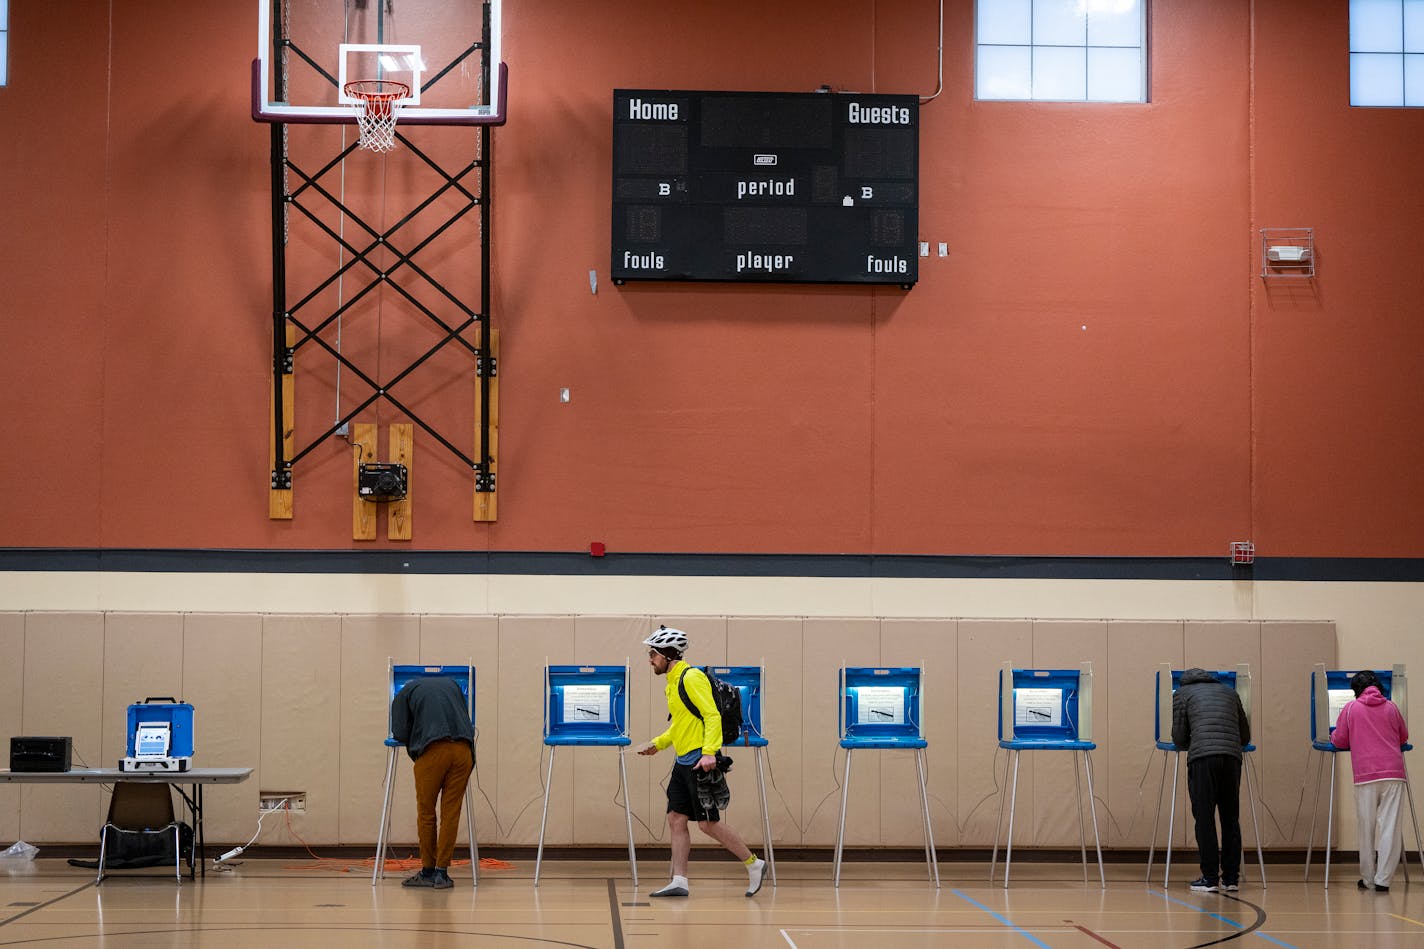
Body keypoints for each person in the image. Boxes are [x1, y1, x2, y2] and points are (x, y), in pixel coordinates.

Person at [636, 625, 767, 898]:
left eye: (653, 654)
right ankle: (679, 880)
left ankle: (754, 864)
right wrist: (657, 744)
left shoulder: (691, 678)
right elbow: (681, 724)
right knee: (676, 818)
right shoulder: (672, 684)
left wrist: (709, 752)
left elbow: (712, 716)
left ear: (669, 655)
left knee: (707, 824)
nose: (650, 659)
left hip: (700, 760)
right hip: (683, 761)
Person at [389, 675, 475, 889]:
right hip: (464, 752)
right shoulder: (454, 685)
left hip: (433, 750)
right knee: (451, 813)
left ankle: (427, 871)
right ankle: (442, 874)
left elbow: (399, 732)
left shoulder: (403, 694)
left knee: (427, 813)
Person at [1171, 667, 1251, 893]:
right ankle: (1231, 878)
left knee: (1204, 817)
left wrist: (1195, 739)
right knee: (1230, 817)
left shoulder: (1181, 694)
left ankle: (1209, 877)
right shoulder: (1229, 692)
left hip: (1203, 758)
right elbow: (1245, 735)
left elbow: (1177, 737)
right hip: (1231, 758)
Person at [1331, 669, 1409, 892]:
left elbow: (1339, 739)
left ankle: (1368, 878)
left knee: (1366, 828)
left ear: (1357, 690)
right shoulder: (1392, 707)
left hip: (1365, 775)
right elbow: (1403, 736)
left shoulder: (1351, 708)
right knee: (1390, 828)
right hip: (1393, 774)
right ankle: (1384, 880)